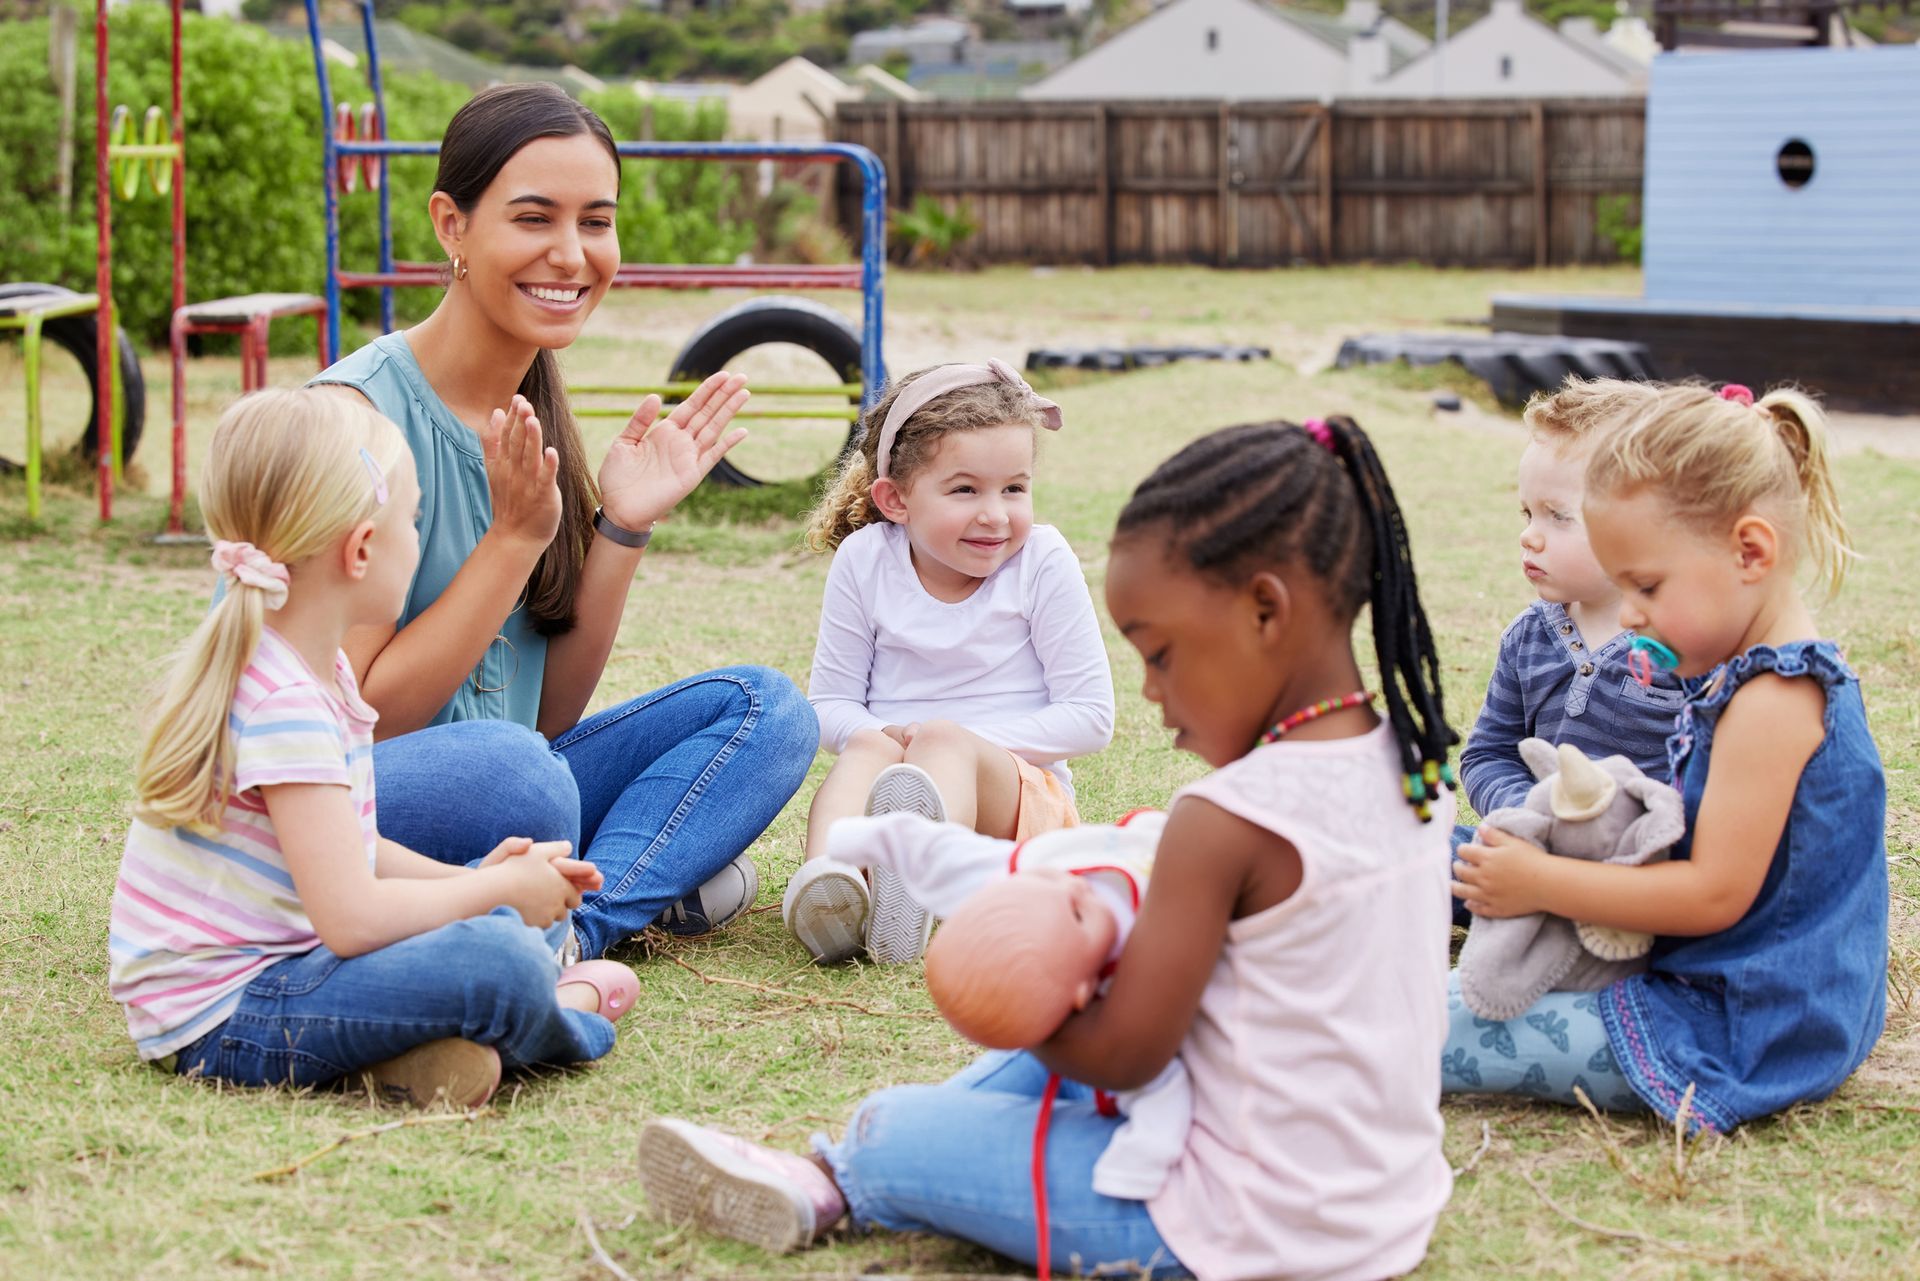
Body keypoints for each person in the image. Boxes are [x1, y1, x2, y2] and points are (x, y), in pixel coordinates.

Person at [638, 416, 1461, 1281]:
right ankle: (835, 1168)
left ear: (1266, 609)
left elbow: (1123, 1053)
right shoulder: (1414, 768)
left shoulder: (1229, 819)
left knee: (899, 1125)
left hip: (1242, 1224)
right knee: (1025, 1080)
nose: (1150, 691)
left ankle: (840, 1178)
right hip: (1384, 1195)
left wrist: (1007, 986)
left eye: (1162, 654)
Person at [312, 84, 818, 962]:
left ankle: (575, 926)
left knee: (765, 710)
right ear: (451, 226)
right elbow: (362, 726)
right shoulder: (354, 421)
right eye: (535, 218)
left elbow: (546, 713)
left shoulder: (530, 406)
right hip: (346, 801)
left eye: (596, 222)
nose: (571, 254)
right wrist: (511, 542)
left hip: (513, 786)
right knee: (519, 777)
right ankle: (613, 880)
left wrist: (620, 527)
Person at [109, 390, 638, 1109]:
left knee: (494, 917)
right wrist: (490, 893)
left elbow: (357, 848)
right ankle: (563, 1014)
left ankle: (411, 1056)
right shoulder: (283, 701)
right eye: (412, 522)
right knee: (503, 959)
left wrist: (480, 875)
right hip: (229, 1017)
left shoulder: (314, 670)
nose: (419, 539)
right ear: (360, 550)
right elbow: (352, 917)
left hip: (294, 967)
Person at [1449, 382, 1887, 1134]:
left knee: (1422, 1028)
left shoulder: (1775, 702)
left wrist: (1540, 878)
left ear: (1750, 551)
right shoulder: (1745, 672)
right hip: (1708, 982)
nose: (1630, 616)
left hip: (1736, 1024)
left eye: (1646, 586)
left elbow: (1712, 895)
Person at [781, 360, 1114, 966]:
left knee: (942, 741)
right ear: (896, 499)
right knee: (869, 749)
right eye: (965, 490)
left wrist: (950, 740)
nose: (995, 513)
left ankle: (920, 888)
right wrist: (889, 738)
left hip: (1015, 805)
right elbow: (827, 709)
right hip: (893, 775)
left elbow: (1090, 718)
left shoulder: (1041, 561)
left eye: (1014, 488)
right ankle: (832, 887)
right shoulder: (864, 560)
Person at [830, 809, 1187, 1200]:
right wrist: (1140, 1163)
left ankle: (843, 1174)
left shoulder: (1032, 880)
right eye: (1078, 914)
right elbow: (1159, 1088)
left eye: (1053, 885)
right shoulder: (1133, 977)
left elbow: (945, 855)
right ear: (1083, 992)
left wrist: (871, 838)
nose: (1074, 888)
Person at [1453, 378, 1685, 925]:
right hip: (1531, 848)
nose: (1530, 537)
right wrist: (1531, 818)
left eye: (1559, 516)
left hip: (1638, 872)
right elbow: (1488, 753)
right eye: (1527, 514)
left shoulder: (1683, 647)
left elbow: (1702, 784)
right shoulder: (1529, 636)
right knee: (1426, 853)